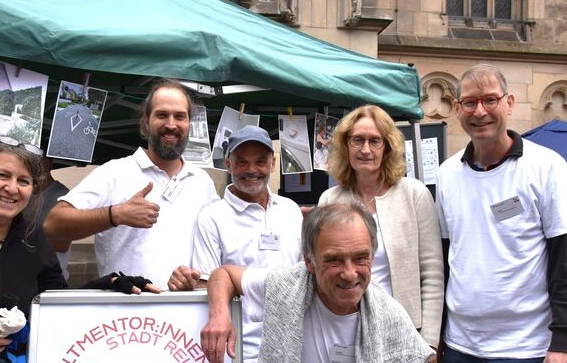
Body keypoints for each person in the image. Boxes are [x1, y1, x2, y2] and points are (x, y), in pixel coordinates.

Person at [0, 139, 159, 362]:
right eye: (2, 175)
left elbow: (55, 301)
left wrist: (104, 286)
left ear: (33, 189)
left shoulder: (35, 241)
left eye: (24, 180)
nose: (12, 188)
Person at [437, 64, 567, 362]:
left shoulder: (547, 166)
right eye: (469, 102)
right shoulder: (447, 174)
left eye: (490, 100)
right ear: (457, 109)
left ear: (509, 103)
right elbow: (446, 259)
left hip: (526, 347)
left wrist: (562, 341)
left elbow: (564, 258)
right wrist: (439, 334)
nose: (479, 111)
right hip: (460, 345)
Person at [201, 202, 435, 363]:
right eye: (334, 260)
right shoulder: (286, 287)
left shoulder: (391, 317)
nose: (350, 273)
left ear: (373, 258)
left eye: (360, 258)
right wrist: (219, 314)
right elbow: (225, 274)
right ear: (309, 261)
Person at [44, 79, 219, 289]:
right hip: (125, 314)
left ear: (189, 123)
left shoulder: (202, 181)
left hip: (184, 313)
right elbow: (53, 225)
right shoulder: (115, 172)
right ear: (146, 121)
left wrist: (196, 280)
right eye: (162, 115)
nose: (171, 125)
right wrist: (115, 214)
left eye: (180, 116)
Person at [169, 125, 303, 363]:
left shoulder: (291, 210)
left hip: (294, 348)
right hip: (240, 352)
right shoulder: (212, 217)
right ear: (228, 164)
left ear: (272, 164)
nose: (252, 170)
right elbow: (205, 286)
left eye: (260, 161)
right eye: (242, 162)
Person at [318, 104, 444, 349]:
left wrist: (429, 343)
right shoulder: (329, 200)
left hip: (405, 330)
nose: (366, 149)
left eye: (375, 141)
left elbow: (432, 274)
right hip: (345, 329)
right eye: (357, 140)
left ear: (387, 147)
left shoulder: (414, 194)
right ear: (346, 146)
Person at [23, 156, 71, 279]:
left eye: (40, 159)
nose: (35, 164)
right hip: (23, 275)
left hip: (50, 278)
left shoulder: (63, 196)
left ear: (49, 162)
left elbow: (62, 244)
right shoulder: (22, 192)